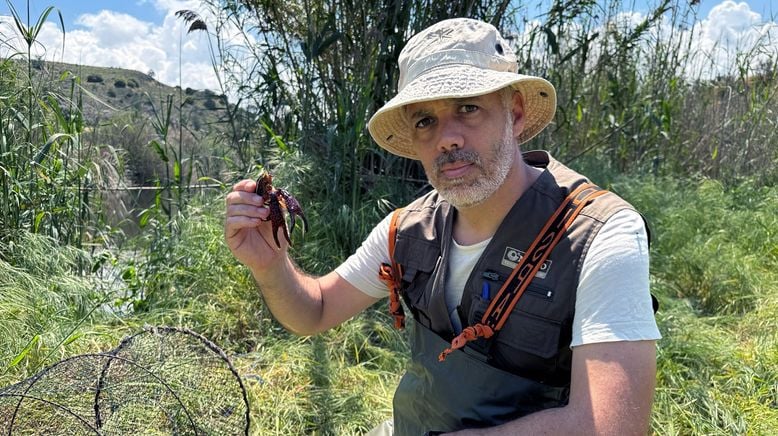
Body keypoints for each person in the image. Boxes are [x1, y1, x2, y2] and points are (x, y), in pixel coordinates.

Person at [225, 17, 661, 436]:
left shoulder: (600, 236)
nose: (447, 138)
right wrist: (271, 266)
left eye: (468, 108)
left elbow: (611, 426)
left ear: (516, 112)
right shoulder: (406, 232)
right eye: (425, 120)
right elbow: (315, 311)